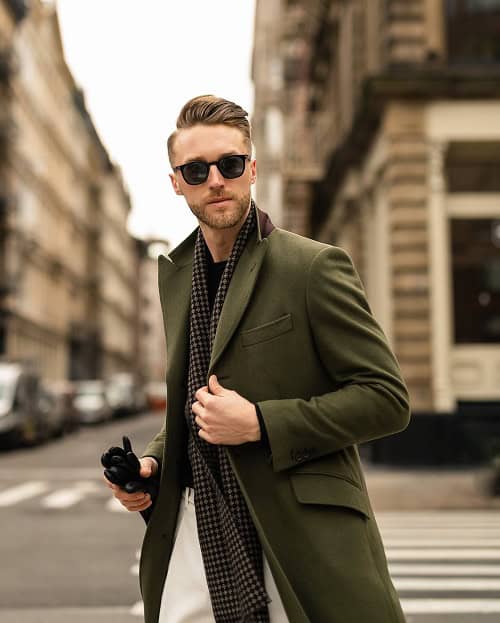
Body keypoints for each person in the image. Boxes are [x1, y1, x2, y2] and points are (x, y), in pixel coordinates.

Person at [104, 95, 410, 623]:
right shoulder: (177, 276)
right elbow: (194, 397)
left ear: (252, 168)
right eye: (196, 170)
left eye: (229, 164)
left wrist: (262, 423)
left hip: (300, 536)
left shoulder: (312, 266)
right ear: (176, 182)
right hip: (200, 530)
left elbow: (386, 399)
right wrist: (153, 463)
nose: (215, 181)